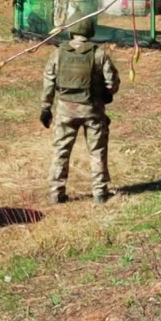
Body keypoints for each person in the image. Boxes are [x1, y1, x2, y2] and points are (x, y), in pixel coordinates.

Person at [40, 17, 121, 204]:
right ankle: (100, 193)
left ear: (70, 31)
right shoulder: (99, 54)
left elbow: (49, 81)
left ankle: (55, 193)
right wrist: (107, 94)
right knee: (97, 151)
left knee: (61, 150)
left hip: (65, 111)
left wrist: (46, 107)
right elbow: (112, 82)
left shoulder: (59, 53)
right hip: (92, 110)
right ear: (91, 31)